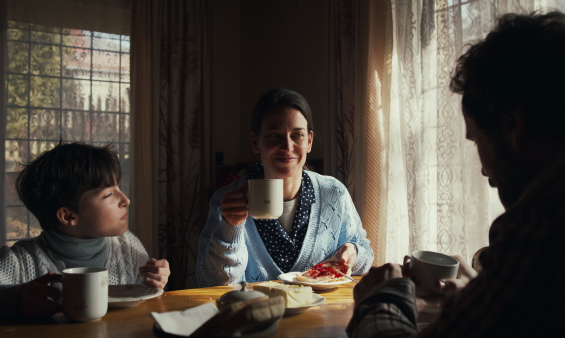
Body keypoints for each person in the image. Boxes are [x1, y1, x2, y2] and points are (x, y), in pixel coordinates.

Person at [347, 11, 565, 337]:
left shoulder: (540, 225)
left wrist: (382, 299)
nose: (483, 169)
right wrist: (479, 292)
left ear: (512, 126)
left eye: (477, 139)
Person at [0, 142, 171, 319]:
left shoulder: (127, 246)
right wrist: (16, 299)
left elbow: (144, 304)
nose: (126, 200)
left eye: (119, 188)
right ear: (68, 216)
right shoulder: (22, 261)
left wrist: (157, 281)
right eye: (109, 195)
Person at [197, 88, 374, 287]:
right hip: (257, 316)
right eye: (274, 136)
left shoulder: (333, 193)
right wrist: (230, 227)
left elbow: (364, 255)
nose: (287, 147)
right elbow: (211, 283)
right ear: (255, 142)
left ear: (309, 141)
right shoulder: (227, 201)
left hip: (320, 316)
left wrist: (352, 252)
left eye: (297, 135)